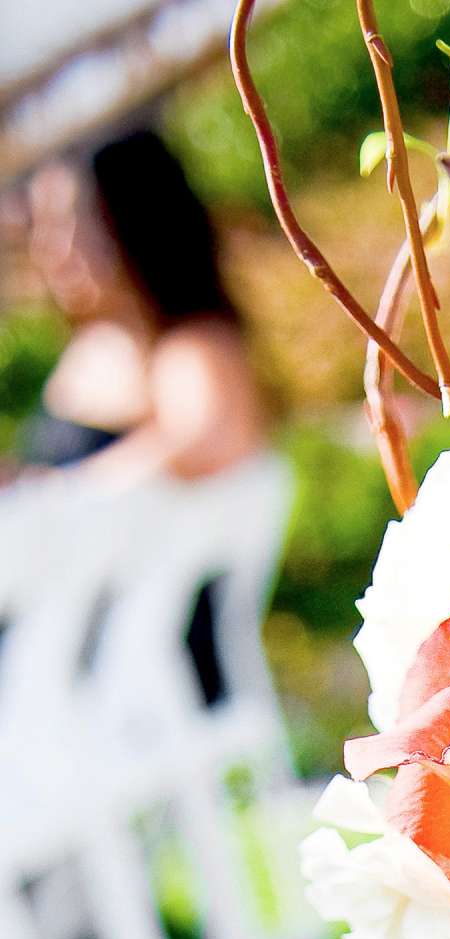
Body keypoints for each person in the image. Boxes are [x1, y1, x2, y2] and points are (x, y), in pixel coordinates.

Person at [18, 125, 269, 703]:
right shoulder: (99, 348)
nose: (52, 250)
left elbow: (208, 437)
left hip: (143, 672)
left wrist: (63, 499)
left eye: (72, 224)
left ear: (126, 219)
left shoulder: (190, 346)